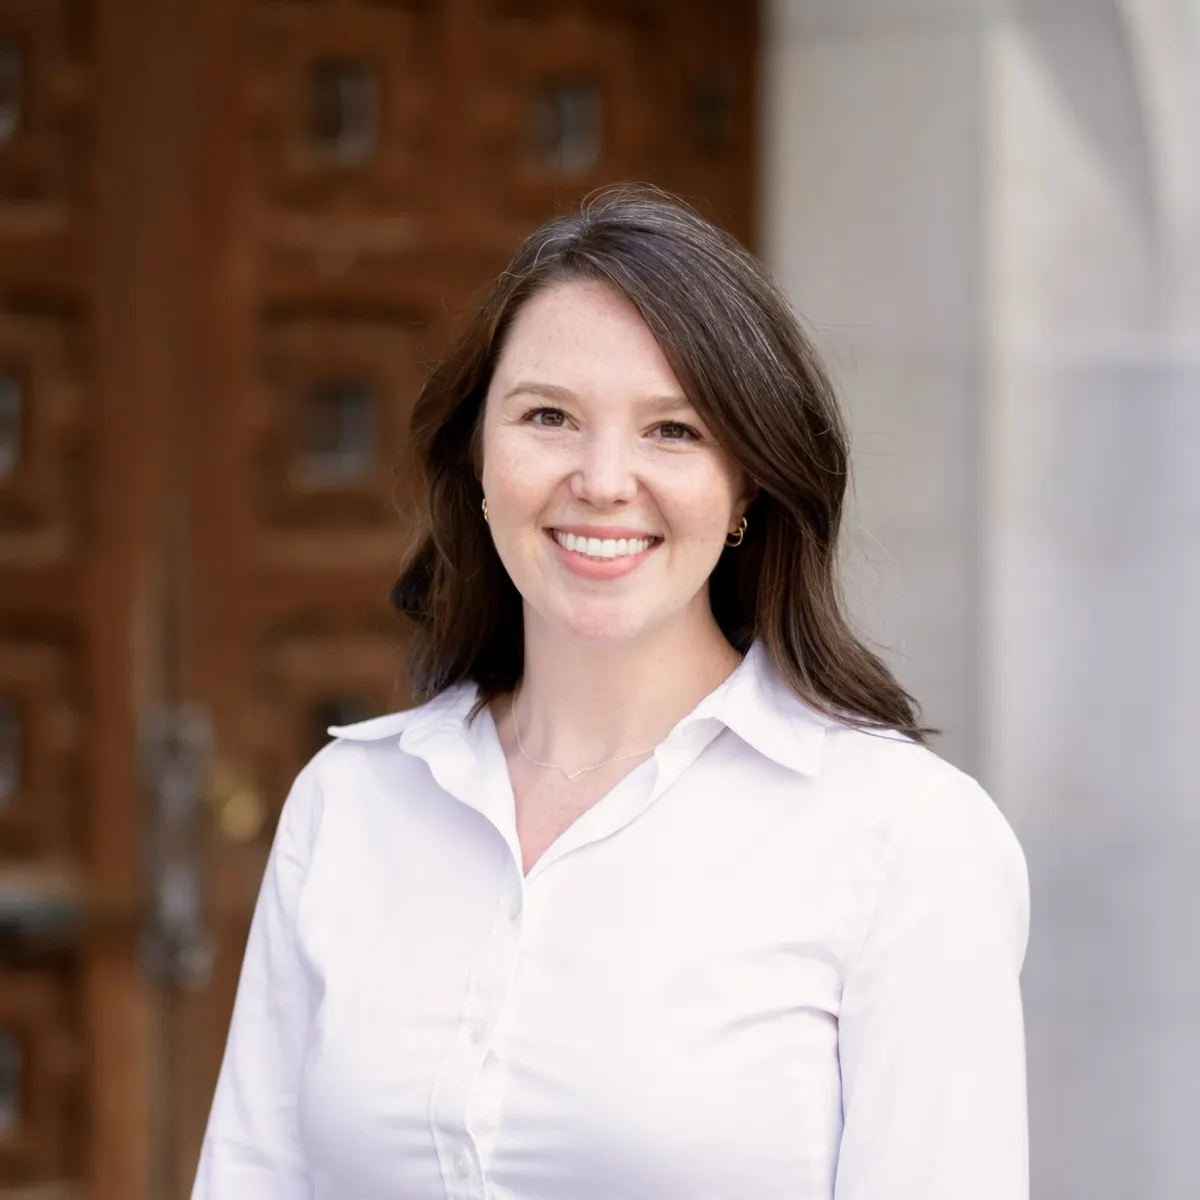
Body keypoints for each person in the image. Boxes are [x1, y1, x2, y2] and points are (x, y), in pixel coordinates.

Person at [192, 186, 1029, 1200]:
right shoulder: (352, 802)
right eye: (549, 417)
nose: (601, 478)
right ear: (480, 460)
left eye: (672, 431)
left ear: (747, 486)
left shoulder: (903, 839)